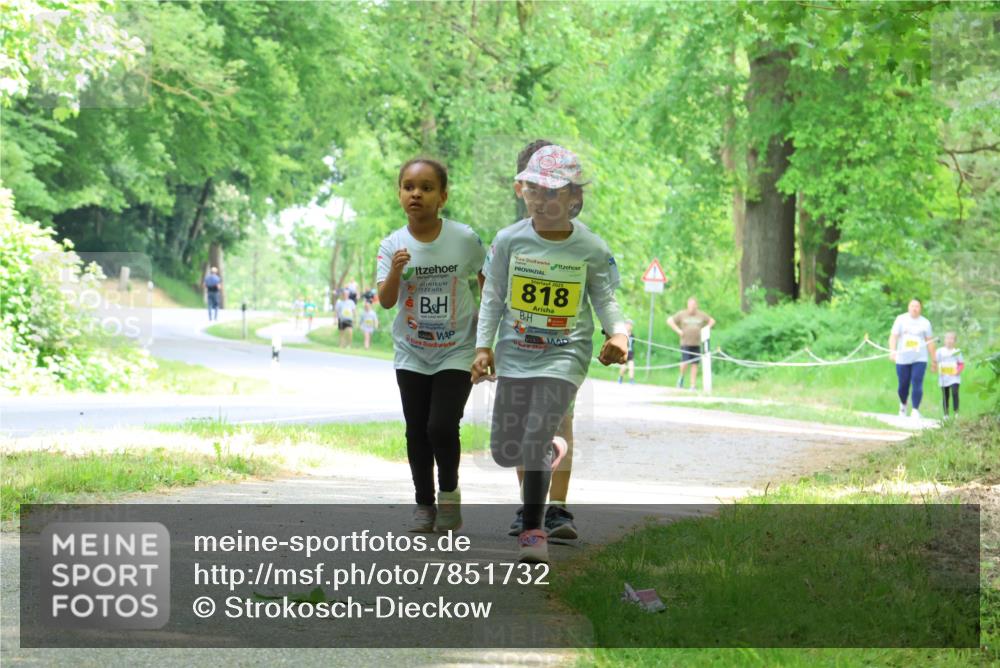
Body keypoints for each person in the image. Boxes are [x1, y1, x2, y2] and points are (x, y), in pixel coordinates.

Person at [473, 143, 628, 564]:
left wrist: (618, 333)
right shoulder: (508, 241)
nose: (544, 200)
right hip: (516, 354)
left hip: (566, 356)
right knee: (507, 450)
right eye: (536, 191)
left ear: (575, 198)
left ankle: (532, 532)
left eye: (555, 192)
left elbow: (607, 300)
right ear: (523, 192)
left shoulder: (590, 248)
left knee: (537, 434)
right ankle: (549, 454)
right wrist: (483, 347)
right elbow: (492, 299)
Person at [377, 157, 485, 533]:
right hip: (411, 350)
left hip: (457, 347)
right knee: (416, 429)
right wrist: (395, 270)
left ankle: (449, 495)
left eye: (426, 188)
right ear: (400, 193)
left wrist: (488, 338)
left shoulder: (464, 238)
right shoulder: (392, 244)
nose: (416, 194)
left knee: (442, 426)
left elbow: (487, 280)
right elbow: (386, 300)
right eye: (409, 187)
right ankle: (424, 504)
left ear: (443, 196)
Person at [889, 298, 936, 420]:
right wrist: (892, 351)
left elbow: (930, 341)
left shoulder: (925, 323)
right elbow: (893, 337)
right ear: (908, 307)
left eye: (917, 306)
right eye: (912, 306)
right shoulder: (901, 319)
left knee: (917, 381)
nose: (914, 308)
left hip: (919, 358)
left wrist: (934, 360)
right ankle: (903, 404)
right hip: (902, 357)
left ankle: (915, 409)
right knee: (903, 384)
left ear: (920, 308)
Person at [667, 297, 715, 390]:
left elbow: (712, 321)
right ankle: (681, 378)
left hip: (696, 343)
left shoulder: (701, 314)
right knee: (685, 362)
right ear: (687, 305)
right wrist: (678, 330)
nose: (692, 307)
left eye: (693, 305)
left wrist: (706, 329)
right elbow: (670, 320)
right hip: (685, 342)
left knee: (695, 364)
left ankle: (692, 385)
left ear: (696, 305)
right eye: (690, 305)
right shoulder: (682, 314)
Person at [936, 331, 963, 419]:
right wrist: (936, 368)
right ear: (944, 340)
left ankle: (956, 413)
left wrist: (958, 371)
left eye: (951, 339)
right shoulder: (940, 351)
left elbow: (961, 363)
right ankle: (946, 414)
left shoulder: (957, 352)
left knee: (955, 393)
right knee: (945, 395)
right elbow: (935, 362)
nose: (949, 341)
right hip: (944, 377)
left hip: (954, 377)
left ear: (955, 341)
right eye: (947, 338)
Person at [618, 319, 636, 384]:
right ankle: (620, 377)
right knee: (623, 368)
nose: (629, 326)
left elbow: (632, 344)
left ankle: (631, 380)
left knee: (631, 367)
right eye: (628, 325)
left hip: (630, 353)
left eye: (631, 325)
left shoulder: (632, 335)